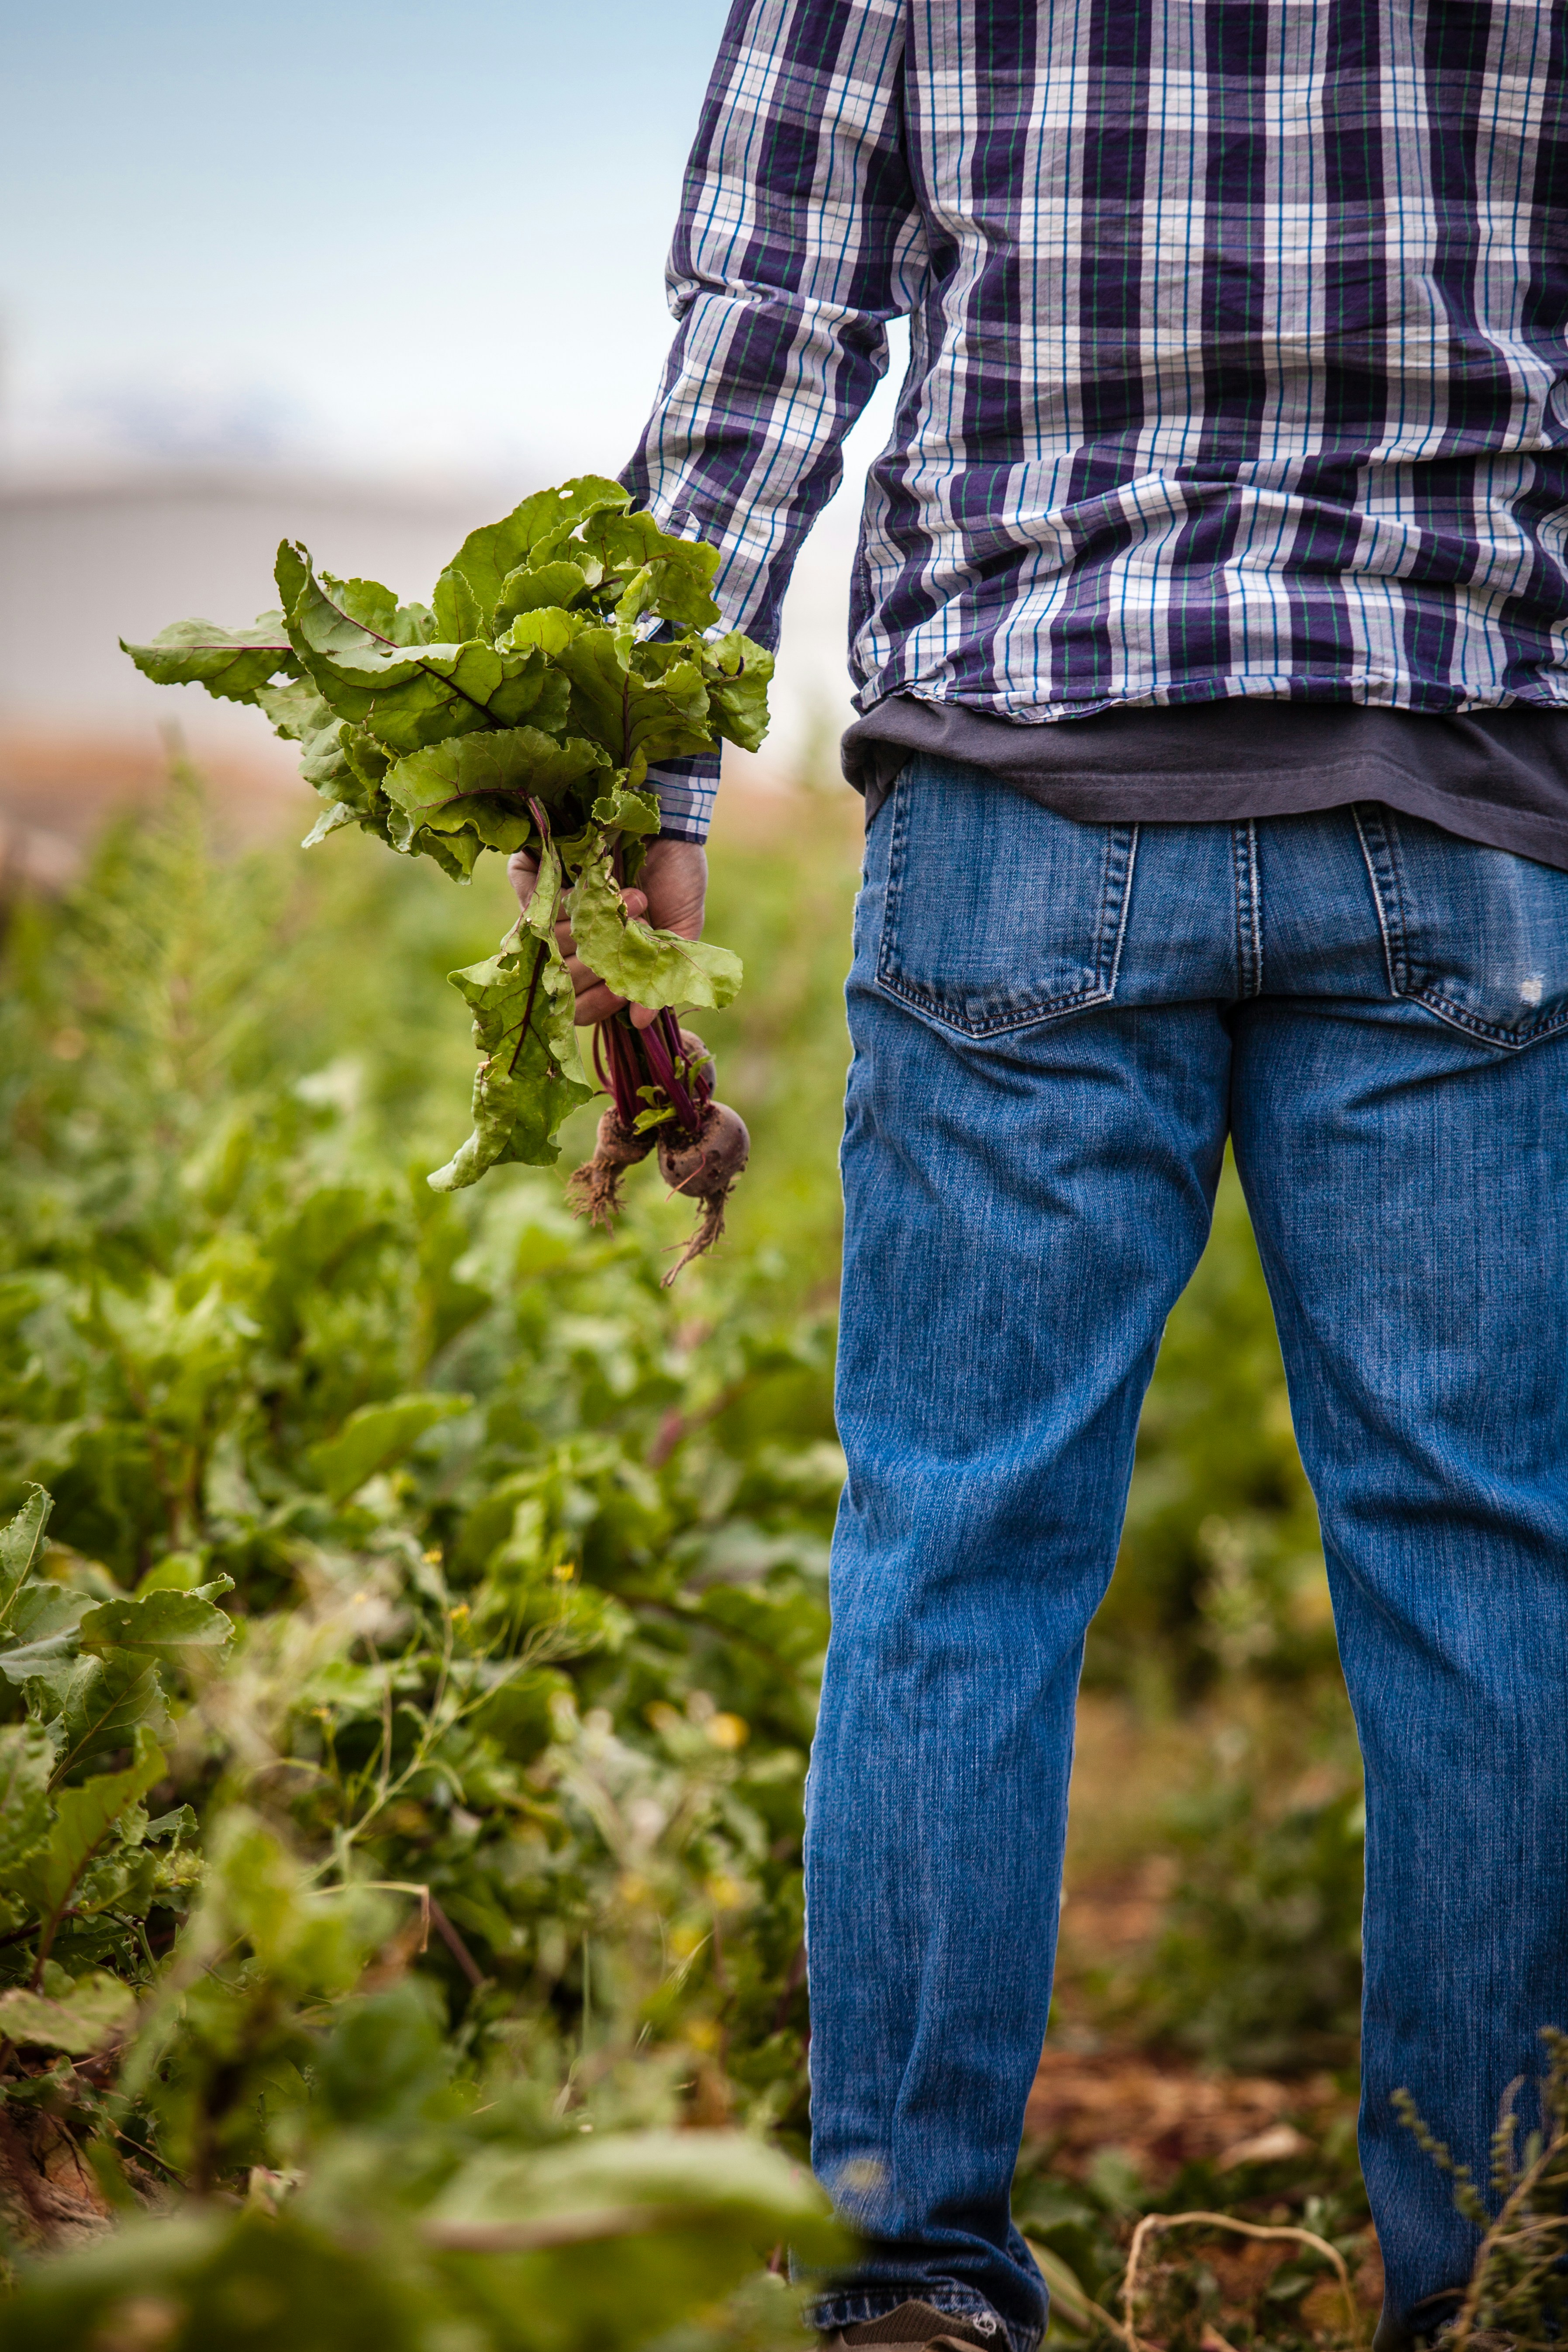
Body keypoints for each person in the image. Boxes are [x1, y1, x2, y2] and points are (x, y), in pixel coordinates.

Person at [514, 4, 1568, 2347]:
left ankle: (909, 2280)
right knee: (1485, 1558)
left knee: (956, 1539)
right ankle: (1495, 2279)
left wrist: (648, 798)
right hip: (1465, 799)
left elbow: (761, 324)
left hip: (1023, 800)